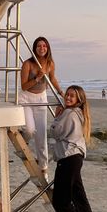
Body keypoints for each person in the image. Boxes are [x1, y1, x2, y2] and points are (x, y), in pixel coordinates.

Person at [50, 85, 96, 212]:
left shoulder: (69, 113)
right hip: (74, 157)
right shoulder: (78, 113)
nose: (68, 98)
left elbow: (56, 133)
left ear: (78, 100)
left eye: (72, 96)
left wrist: (56, 117)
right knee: (78, 196)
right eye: (67, 95)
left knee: (60, 201)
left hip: (69, 158)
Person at [20, 37, 63, 179]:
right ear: (34, 48)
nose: (42, 48)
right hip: (27, 98)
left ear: (48, 48)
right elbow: (24, 86)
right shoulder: (27, 64)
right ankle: (23, 139)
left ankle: (43, 167)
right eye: (39, 46)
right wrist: (37, 78)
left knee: (42, 135)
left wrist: (60, 92)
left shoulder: (50, 63)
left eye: (44, 46)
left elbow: (53, 79)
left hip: (41, 99)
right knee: (30, 130)